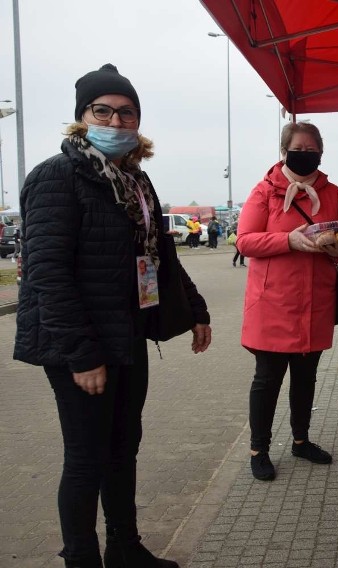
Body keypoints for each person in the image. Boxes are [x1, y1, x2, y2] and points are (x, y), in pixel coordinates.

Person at [13, 64, 212, 568]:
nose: (116, 121)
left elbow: (160, 255)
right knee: (86, 459)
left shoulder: (135, 180)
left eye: (127, 113)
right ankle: (82, 558)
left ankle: (125, 547)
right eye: (103, 111)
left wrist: (197, 310)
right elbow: (47, 276)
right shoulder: (56, 176)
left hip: (128, 337)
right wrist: (82, 355)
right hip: (80, 347)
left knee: (124, 449)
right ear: (82, 117)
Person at [238, 121, 338, 480]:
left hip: (315, 302)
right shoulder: (265, 192)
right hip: (273, 303)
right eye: (298, 149)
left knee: (306, 377)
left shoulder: (332, 192)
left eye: (311, 149)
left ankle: (300, 441)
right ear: (284, 150)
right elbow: (244, 241)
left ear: (321, 151)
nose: (305, 155)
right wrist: (287, 241)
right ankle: (259, 449)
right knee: (268, 379)